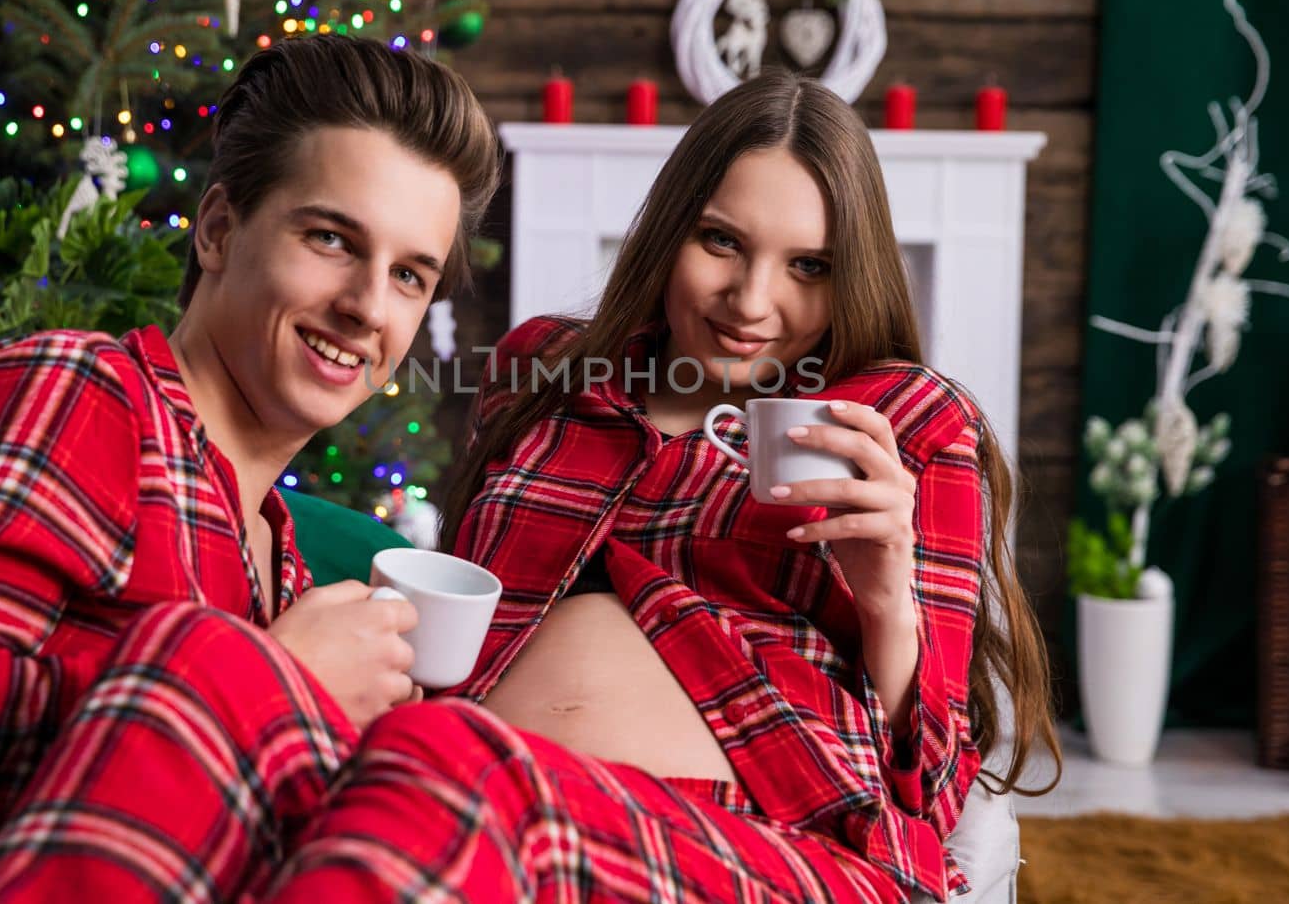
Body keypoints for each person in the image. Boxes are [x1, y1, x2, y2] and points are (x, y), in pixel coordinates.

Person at [0, 34, 503, 901]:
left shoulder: (284, 562)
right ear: (217, 228)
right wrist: (267, 680)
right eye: (329, 239)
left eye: (409, 277)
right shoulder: (81, 397)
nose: (365, 307)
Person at [415, 69, 1061, 903]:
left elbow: (933, 793)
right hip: (479, 796)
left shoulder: (904, 421)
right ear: (668, 229)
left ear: (850, 273)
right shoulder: (542, 371)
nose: (752, 301)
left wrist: (888, 604)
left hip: (759, 841)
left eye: (808, 265)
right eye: (721, 241)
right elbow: (463, 627)